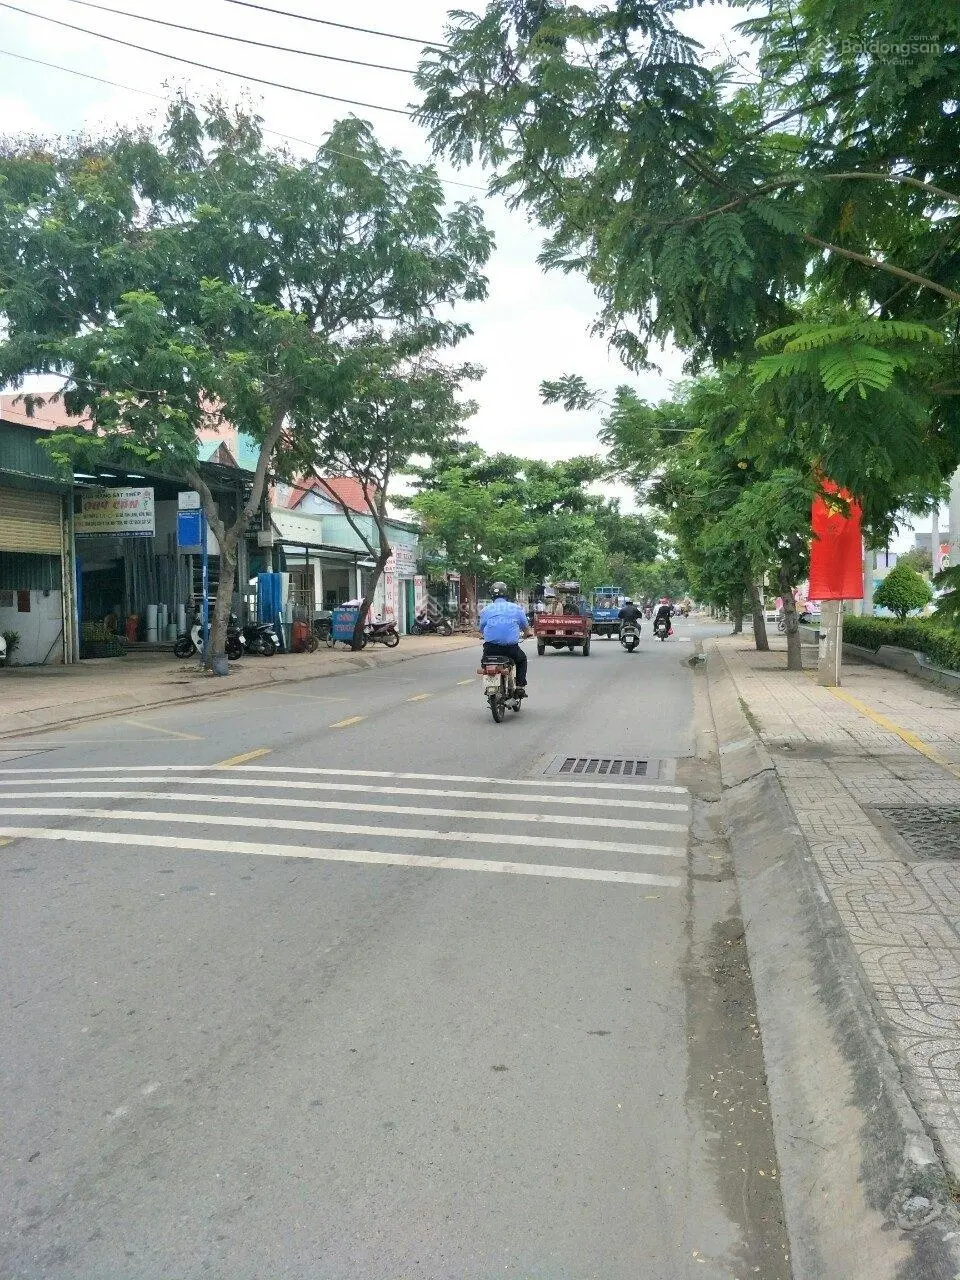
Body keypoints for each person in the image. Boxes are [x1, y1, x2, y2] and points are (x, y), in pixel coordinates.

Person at [478, 582, 532, 696]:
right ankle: (520, 687)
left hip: (490, 648)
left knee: (486, 662)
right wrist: (527, 634)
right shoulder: (516, 608)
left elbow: (481, 628)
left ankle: (489, 684)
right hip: (510, 648)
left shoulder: (486, 610)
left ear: (492, 595)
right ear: (506, 594)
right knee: (522, 660)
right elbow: (525, 626)